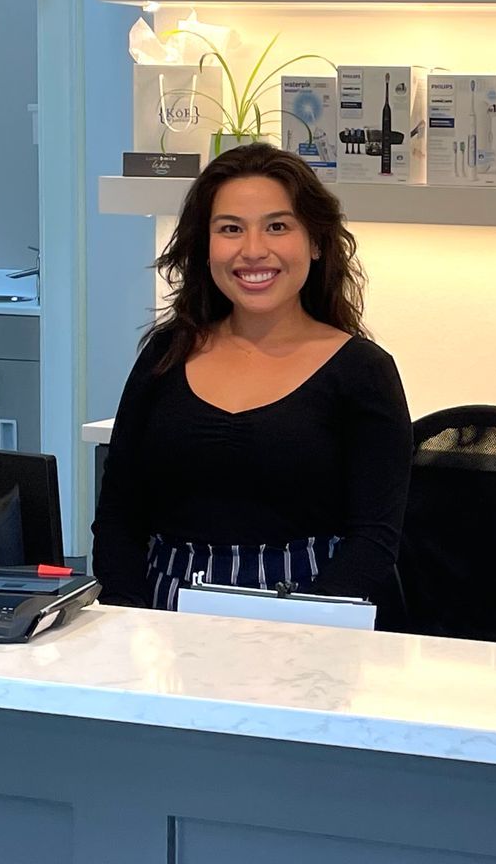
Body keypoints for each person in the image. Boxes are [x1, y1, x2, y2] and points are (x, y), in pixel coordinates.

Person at [93, 143, 411, 609]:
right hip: (164, 622)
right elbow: (118, 517)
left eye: (278, 226)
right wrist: (136, 622)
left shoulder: (363, 371)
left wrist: (291, 633)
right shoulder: (167, 353)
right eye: (230, 229)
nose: (253, 250)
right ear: (205, 246)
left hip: (312, 624)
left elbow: (374, 542)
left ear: (316, 242)